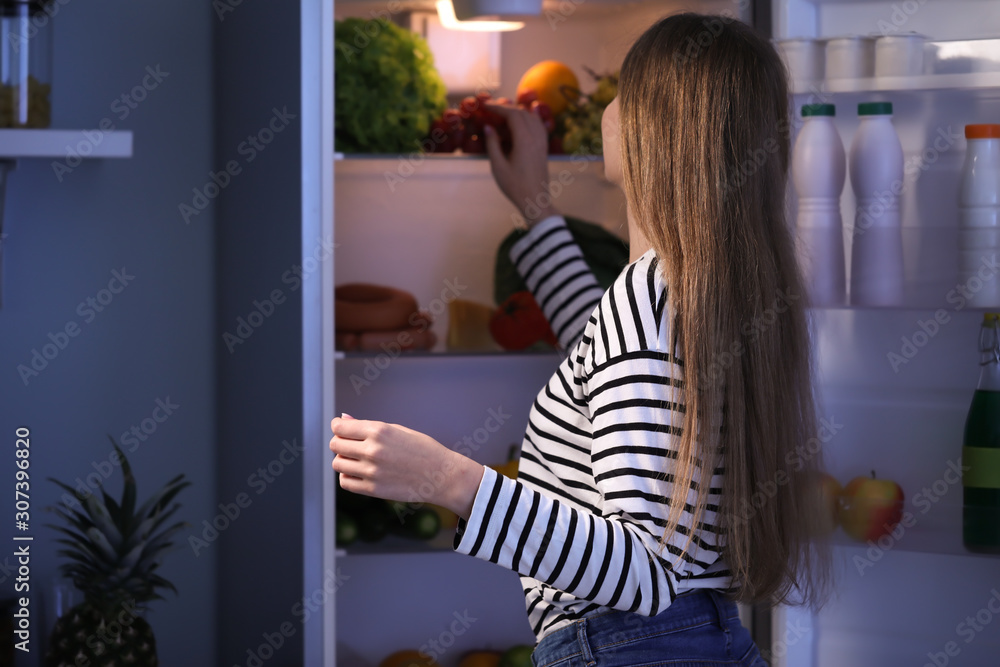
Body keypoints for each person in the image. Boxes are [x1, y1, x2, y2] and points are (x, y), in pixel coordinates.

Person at [330, 12, 831, 664]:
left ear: (655, 126)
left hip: (628, 646)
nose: (609, 107)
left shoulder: (649, 296)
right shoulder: (715, 293)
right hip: (702, 637)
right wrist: (534, 208)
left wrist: (446, 478)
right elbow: (610, 362)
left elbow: (643, 574)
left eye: (625, 86)